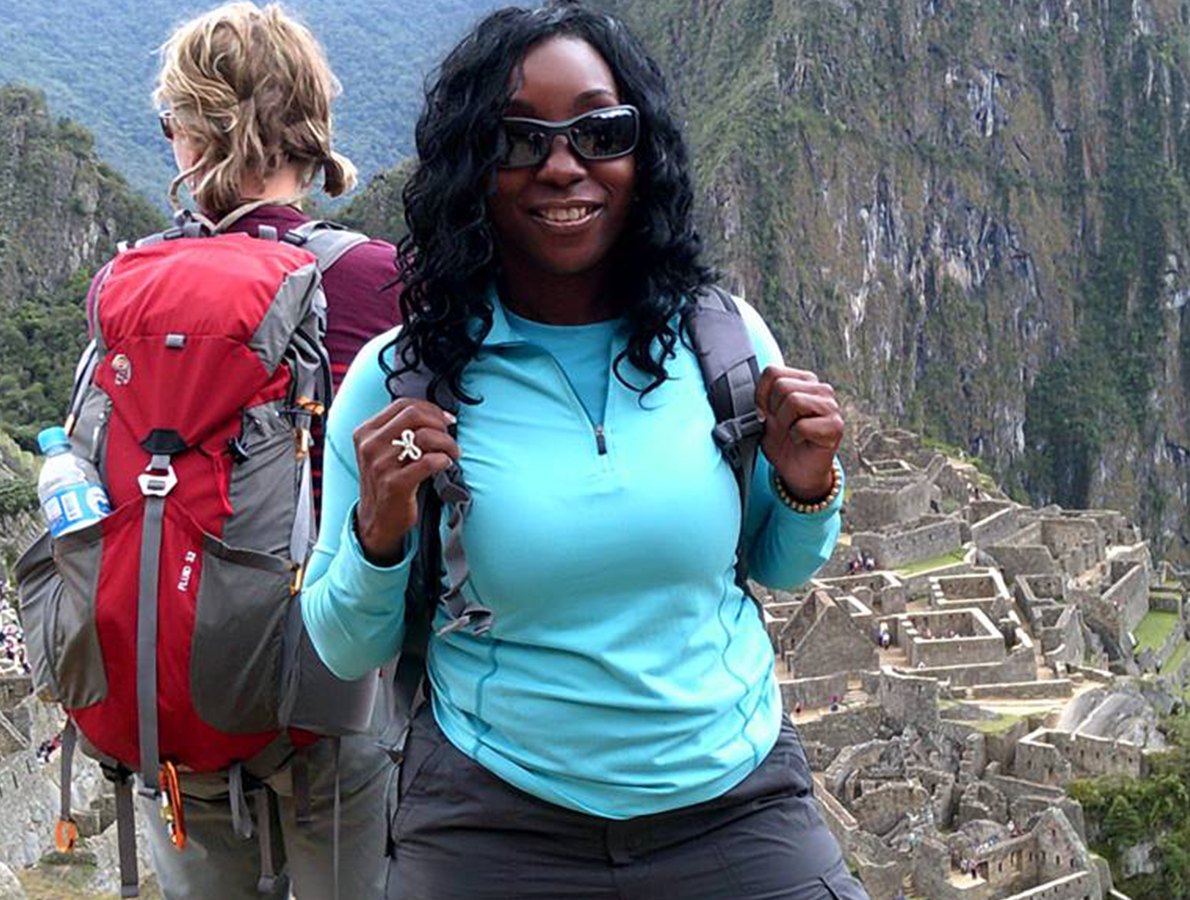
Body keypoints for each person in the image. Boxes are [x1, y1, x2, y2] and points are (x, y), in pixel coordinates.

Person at [300, 4, 869, 898]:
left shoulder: (722, 341)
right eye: (519, 140)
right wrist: (379, 529)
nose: (562, 165)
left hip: (734, 802)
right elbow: (343, 645)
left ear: (643, 155)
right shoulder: (402, 378)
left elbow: (778, 565)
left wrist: (806, 484)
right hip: (496, 816)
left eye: (599, 131)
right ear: (470, 167)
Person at [119, 4, 402, 898]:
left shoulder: (134, 287)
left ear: (195, 133)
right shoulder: (371, 278)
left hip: (184, 691)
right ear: (309, 129)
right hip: (339, 692)